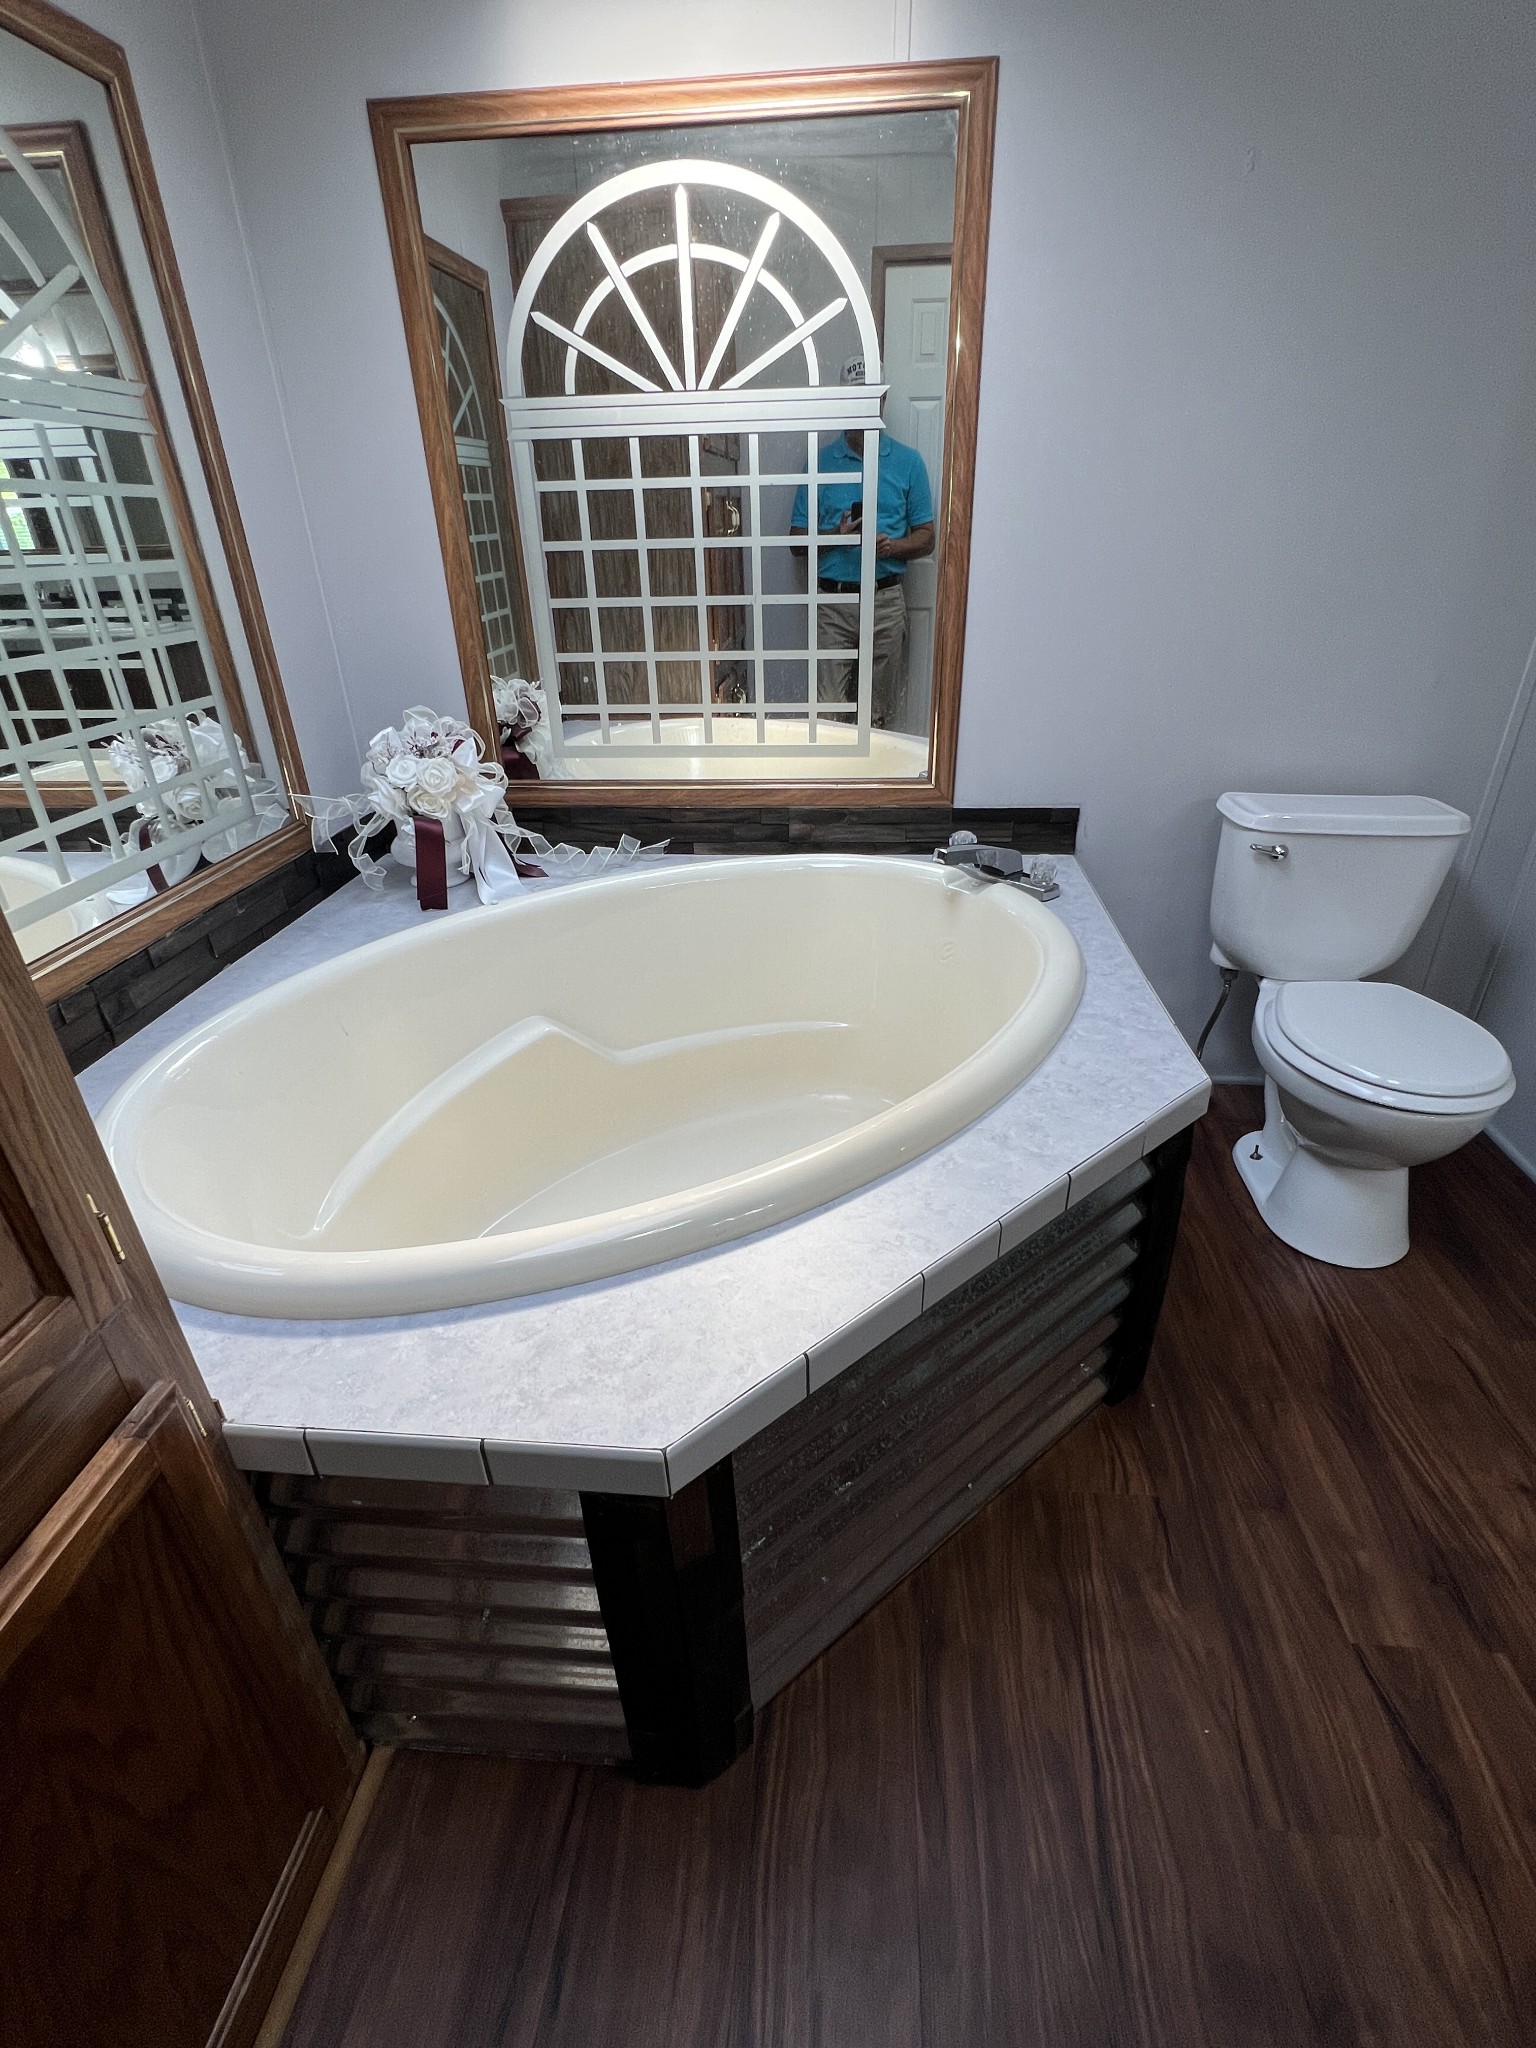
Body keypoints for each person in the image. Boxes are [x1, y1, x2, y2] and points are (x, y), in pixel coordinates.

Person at [789, 354, 935, 727]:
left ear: (882, 400)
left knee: (874, 715)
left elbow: (927, 538)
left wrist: (892, 547)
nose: (862, 407)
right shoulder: (819, 463)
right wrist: (835, 537)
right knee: (828, 715)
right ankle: (832, 785)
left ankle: (871, 783)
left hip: (884, 602)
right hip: (833, 604)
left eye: (870, 397)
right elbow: (796, 541)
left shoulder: (909, 462)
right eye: (854, 398)